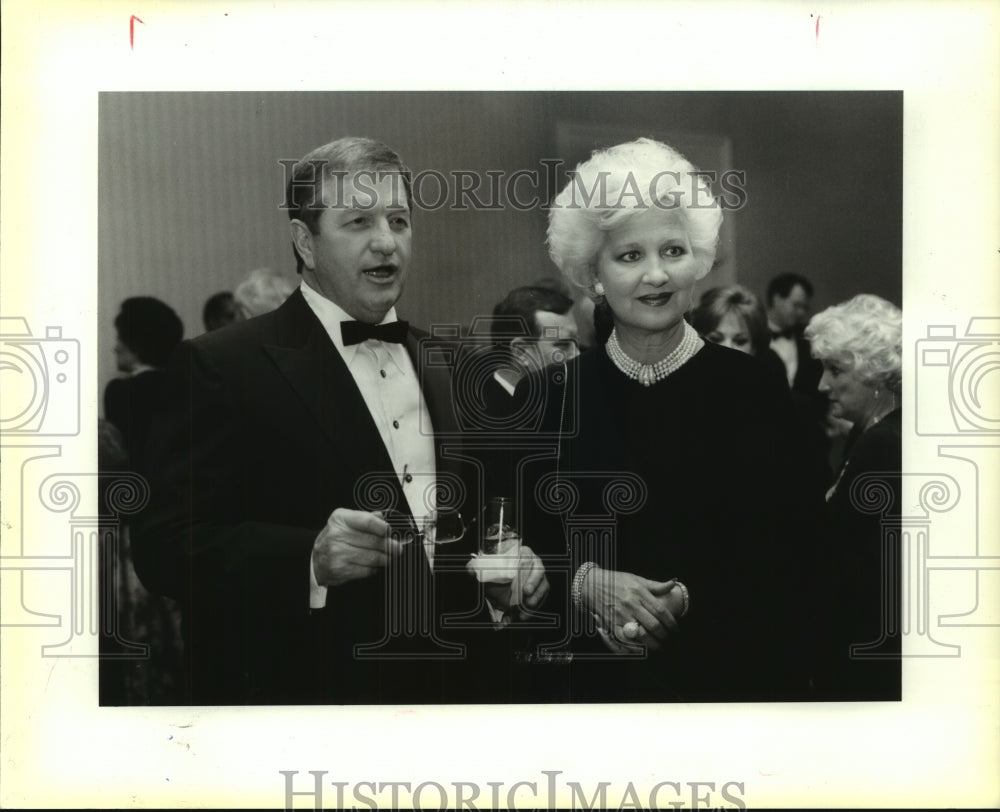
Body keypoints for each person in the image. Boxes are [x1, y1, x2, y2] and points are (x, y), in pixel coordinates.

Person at [132, 137, 547, 704]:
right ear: (305, 241)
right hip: (312, 699)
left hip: (455, 695)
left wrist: (509, 577)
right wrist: (308, 559)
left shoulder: (453, 364)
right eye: (358, 221)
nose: (386, 242)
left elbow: (480, 531)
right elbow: (163, 547)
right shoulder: (221, 366)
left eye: (399, 220)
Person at [513, 137, 818, 701]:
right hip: (583, 696)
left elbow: (791, 547)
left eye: (672, 251)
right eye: (630, 256)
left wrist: (682, 597)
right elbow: (522, 546)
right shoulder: (548, 397)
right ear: (595, 275)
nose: (656, 274)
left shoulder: (756, 387)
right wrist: (584, 584)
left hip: (723, 687)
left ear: (698, 261)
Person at [805, 294, 902, 699]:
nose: (822, 384)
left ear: (875, 372)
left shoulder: (883, 446)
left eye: (835, 370)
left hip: (865, 660)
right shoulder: (867, 435)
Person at [103, 297, 184, 470]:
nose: (115, 347)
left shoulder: (120, 392)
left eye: (119, 338)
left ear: (135, 344)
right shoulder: (186, 386)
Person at [487, 285, 579, 402]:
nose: (577, 354)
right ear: (521, 352)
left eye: (576, 343)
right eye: (563, 345)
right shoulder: (485, 414)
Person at [688, 284, 788, 390]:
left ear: (755, 347)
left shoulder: (771, 383)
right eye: (715, 339)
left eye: (740, 341)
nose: (727, 349)